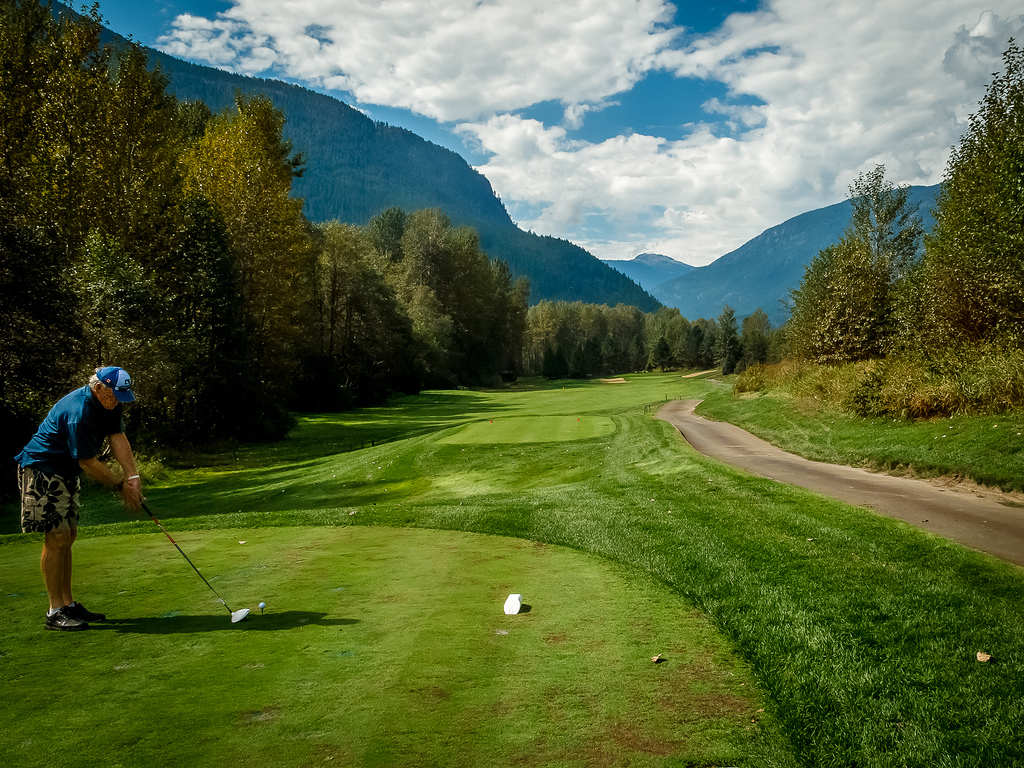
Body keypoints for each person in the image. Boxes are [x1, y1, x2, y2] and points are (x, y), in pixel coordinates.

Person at [15, 366, 144, 631]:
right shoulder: (80, 412)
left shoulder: (110, 403)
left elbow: (118, 437)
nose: (119, 400)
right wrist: (120, 486)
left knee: (69, 535)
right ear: (99, 388)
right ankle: (54, 610)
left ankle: (68, 604)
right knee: (57, 536)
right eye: (116, 394)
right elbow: (87, 462)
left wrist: (133, 477)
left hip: (65, 471)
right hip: (43, 469)